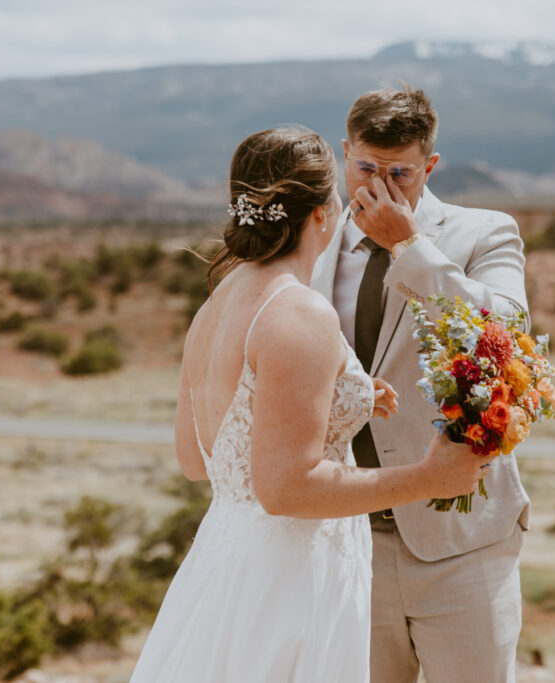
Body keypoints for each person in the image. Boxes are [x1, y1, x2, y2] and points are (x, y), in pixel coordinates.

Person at [129, 126, 493, 683]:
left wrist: (340, 403)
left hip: (224, 568)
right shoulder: (299, 312)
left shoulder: (216, 305)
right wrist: (429, 477)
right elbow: (285, 489)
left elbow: (198, 459)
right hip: (291, 580)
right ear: (324, 212)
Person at [311, 85, 532, 683]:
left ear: (429, 165)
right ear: (343, 153)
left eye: (399, 173)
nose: (379, 186)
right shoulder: (309, 244)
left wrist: (407, 247)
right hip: (345, 537)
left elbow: (506, 330)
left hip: (461, 539)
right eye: (364, 167)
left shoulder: (484, 232)